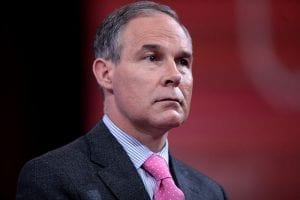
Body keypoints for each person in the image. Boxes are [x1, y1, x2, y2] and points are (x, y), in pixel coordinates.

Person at [16, 1, 227, 199]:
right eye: (152, 57)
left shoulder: (211, 192)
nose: (175, 75)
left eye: (182, 61)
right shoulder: (51, 177)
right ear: (106, 74)